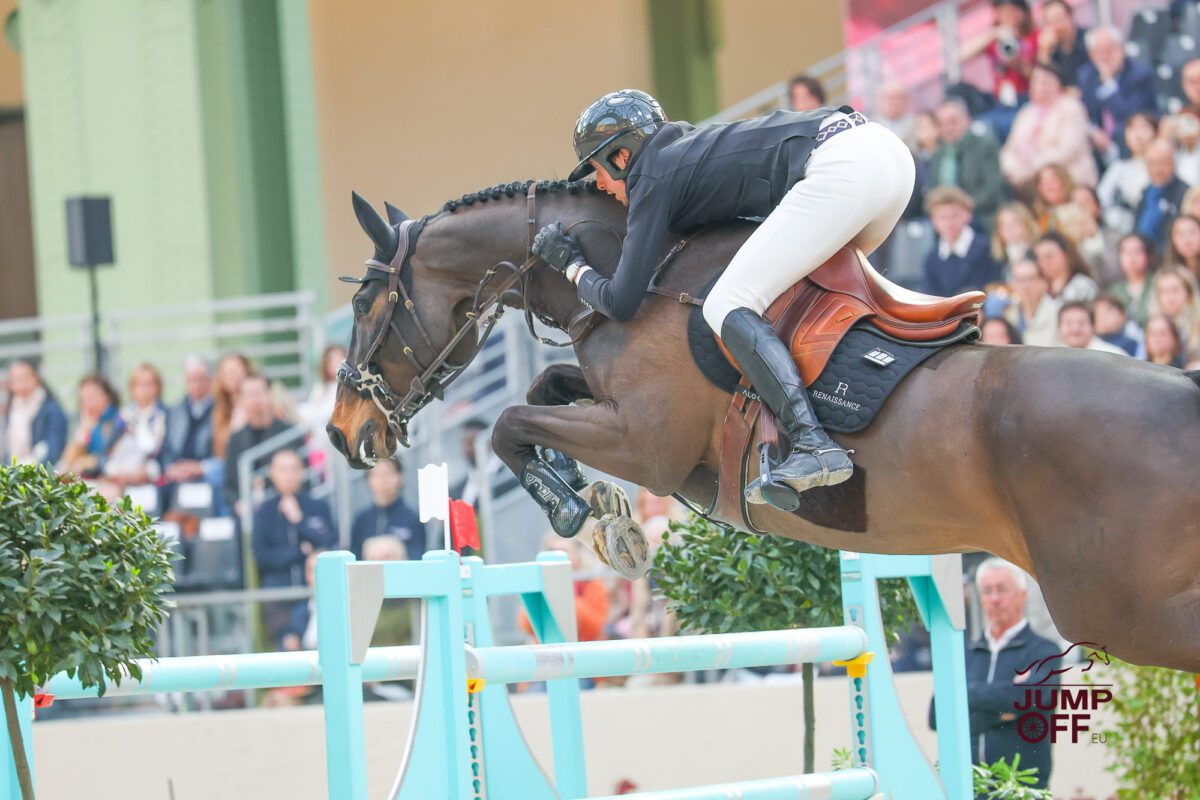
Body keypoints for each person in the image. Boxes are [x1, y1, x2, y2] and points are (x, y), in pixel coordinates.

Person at [533, 90, 914, 511]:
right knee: (805, 292)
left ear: (622, 158)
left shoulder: (650, 176)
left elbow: (621, 302)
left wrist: (571, 266)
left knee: (726, 304)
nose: (600, 185)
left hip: (846, 167)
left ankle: (813, 443)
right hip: (888, 155)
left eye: (597, 170)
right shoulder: (680, 154)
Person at [930, 559, 1059, 790]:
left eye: (1002, 589)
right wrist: (1002, 713)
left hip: (1022, 787)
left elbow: (1028, 697)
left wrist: (964, 694)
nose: (995, 598)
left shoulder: (1044, 652)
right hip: (969, 787)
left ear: (1022, 594)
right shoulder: (964, 654)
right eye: (987, 591)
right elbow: (936, 715)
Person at [252, 449, 336, 644]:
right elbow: (262, 557)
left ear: (302, 471)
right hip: (278, 595)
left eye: (293, 469)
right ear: (272, 473)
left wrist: (299, 520)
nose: (288, 475)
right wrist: (299, 552)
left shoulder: (317, 507)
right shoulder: (265, 512)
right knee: (289, 646)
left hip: (315, 594)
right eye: (282, 470)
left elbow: (328, 543)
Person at [1000, 62, 1096, 189]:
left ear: (1058, 85)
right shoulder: (1026, 112)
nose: (1040, 86)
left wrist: (1032, 166)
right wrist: (1014, 167)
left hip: (1067, 177)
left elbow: (1069, 149)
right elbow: (1009, 149)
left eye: (1045, 81)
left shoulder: (1071, 107)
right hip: (1026, 179)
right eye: (1036, 81)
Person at [1077, 26, 1157, 160]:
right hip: (1098, 149)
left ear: (1122, 49)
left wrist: (1109, 85)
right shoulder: (1086, 76)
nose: (1104, 57)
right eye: (1098, 51)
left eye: (1109, 50)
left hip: (1132, 145)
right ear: (1091, 55)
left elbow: (1132, 116)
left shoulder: (1140, 75)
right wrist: (1093, 131)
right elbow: (1087, 112)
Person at [223, 373, 297, 516]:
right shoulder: (236, 439)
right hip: (248, 512)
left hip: (283, 508)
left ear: (269, 394)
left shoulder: (288, 433)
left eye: (259, 393)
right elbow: (229, 486)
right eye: (249, 394)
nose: (255, 400)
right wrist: (237, 505)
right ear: (240, 400)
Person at [929, 98, 1005, 230]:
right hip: (946, 223)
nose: (948, 128)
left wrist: (963, 210)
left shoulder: (985, 146)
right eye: (943, 123)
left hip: (980, 218)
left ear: (967, 119)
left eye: (953, 122)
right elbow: (933, 192)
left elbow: (992, 189)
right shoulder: (938, 154)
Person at [160, 356, 219, 509]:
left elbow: (219, 451)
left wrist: (198, 467)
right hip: (177, 476)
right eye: (191, 379)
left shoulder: (219, 411)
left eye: (201, 379)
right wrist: (172, 469)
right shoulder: (175, 412)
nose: (196, 384)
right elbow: (166, 448)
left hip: (206, 475)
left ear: (211, 380)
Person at [921, 187, 1002, 296]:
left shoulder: (987, 249)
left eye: (954, 216)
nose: (949, 223)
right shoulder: (932, 259)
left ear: (968, 215)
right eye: (942, 218)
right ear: (934, 221)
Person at [103, 363, 169, 488]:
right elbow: (108, 449)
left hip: (150, 477)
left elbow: (166, 454)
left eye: (149, 384)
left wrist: (146, 471)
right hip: (120, 474)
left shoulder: (165, 415)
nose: (144, 390)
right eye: (139, 384)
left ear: (158, 387)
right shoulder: (123, 416)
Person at [349, 457, 425, 561]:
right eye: (377, 474)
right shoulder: (361, 521)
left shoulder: (413, 518)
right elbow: (354, 560)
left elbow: (417, 558)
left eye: (388, 473)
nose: (383, 480)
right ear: (368, 479)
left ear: (400, 477)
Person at [1096, 112, 1155, 234]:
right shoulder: (1118, 167)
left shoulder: (1162, 167)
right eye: (1132, 128)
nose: (1138, 134)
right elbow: (1101, 198)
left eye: (1144, 127)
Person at [3, 360, 67, 467]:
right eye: (16, 379)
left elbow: (52, 451)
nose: (22, 384)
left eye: (26, 378)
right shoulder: (12, 408)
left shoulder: (51, 410)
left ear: (36, 378)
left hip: (39, 475)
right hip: (14, 473)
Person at [60, 374, 124, 479]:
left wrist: (88, 461)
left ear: (107, 396)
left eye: (92, 396)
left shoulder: (117, 420)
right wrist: (83, 431)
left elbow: (107, 455)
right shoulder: (81, 422)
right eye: (84, 398)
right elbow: (69, 460)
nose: (88, 401)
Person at [1134, 139, 1190, 249]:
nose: (1157, 169)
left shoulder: (1185, 193)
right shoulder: (1145, 192)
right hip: (1143, 256)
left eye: (1163, 162)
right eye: (1152, 163)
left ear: (1174, 163)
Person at [1051, 202, 1120, 288]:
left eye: (1068, 225)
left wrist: (1093, 238)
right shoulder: (1068, 253)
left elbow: (1113, 272)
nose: (1064, 230)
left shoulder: (1111, 238)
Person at [1004, 258, 1062, 346]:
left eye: (1030, 279)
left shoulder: (1057, 313)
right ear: (1013, 284)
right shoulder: (1007, 313)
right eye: (1020, 280)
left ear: (1043, 282)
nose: (1025, 285)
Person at [1149, 266, 1200, 359]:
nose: (1170, 297)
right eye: (1164, 291)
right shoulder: (1152, 326)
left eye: (1175, 290)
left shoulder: (1197, 325)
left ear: (1189, 293)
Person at [1033, 231, 1098, 303]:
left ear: (1066, 255)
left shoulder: (1083, 286)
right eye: (1040, 258)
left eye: (1049, 256)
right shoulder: (1039, 290)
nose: (1045, 263)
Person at [1037, 0, 1088, 88]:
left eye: (1059, 19)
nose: (1057, 26)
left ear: (1070, 16)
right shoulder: (1052, 48)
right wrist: (1044, 53)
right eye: (1050, 22)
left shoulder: (1088, 40)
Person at [1111, 233, 1156, 327]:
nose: (1132, 258)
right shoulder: (1115, 291)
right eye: (1126, 252)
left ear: (1147, 254)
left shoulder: (1158, 283)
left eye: (1137, 251)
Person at [298, 344, 347, 432]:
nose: (337, 362)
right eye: (332, 359)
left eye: (340, 358)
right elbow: (311, 407)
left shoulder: (345, 389)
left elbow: (326, 414)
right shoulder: (320, 387)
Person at [212, 352, 251, 458]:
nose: (231, 376)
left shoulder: (261, 399)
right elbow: (220, 450)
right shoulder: (221, 409)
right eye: (226, 373)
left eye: (235, 371)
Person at [1057, 301, 1127, 355]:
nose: (1075, 329)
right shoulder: (1053, 357)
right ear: (1059, 328)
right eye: (1069, 323)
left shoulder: (1114, 355)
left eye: (1082, 323)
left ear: (1093, 326)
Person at [990, 202, 1039, 279]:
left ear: (1026, 224)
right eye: (1005, 225)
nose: (1010, 229)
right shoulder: (998, 262)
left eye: (1015, 223)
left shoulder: (1038, 255)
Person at [1030, 163, 1074, 231]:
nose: (1049, 186)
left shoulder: (1079, 203)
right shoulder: (1043, 221)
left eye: (1052, 180)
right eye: (1043, 182)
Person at [875, 80, 917, 151]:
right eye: (889, 97)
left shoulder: (916, 125)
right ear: (879, 101)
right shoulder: (871, 126)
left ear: (906, 101)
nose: (893, 102)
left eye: (898, 97)